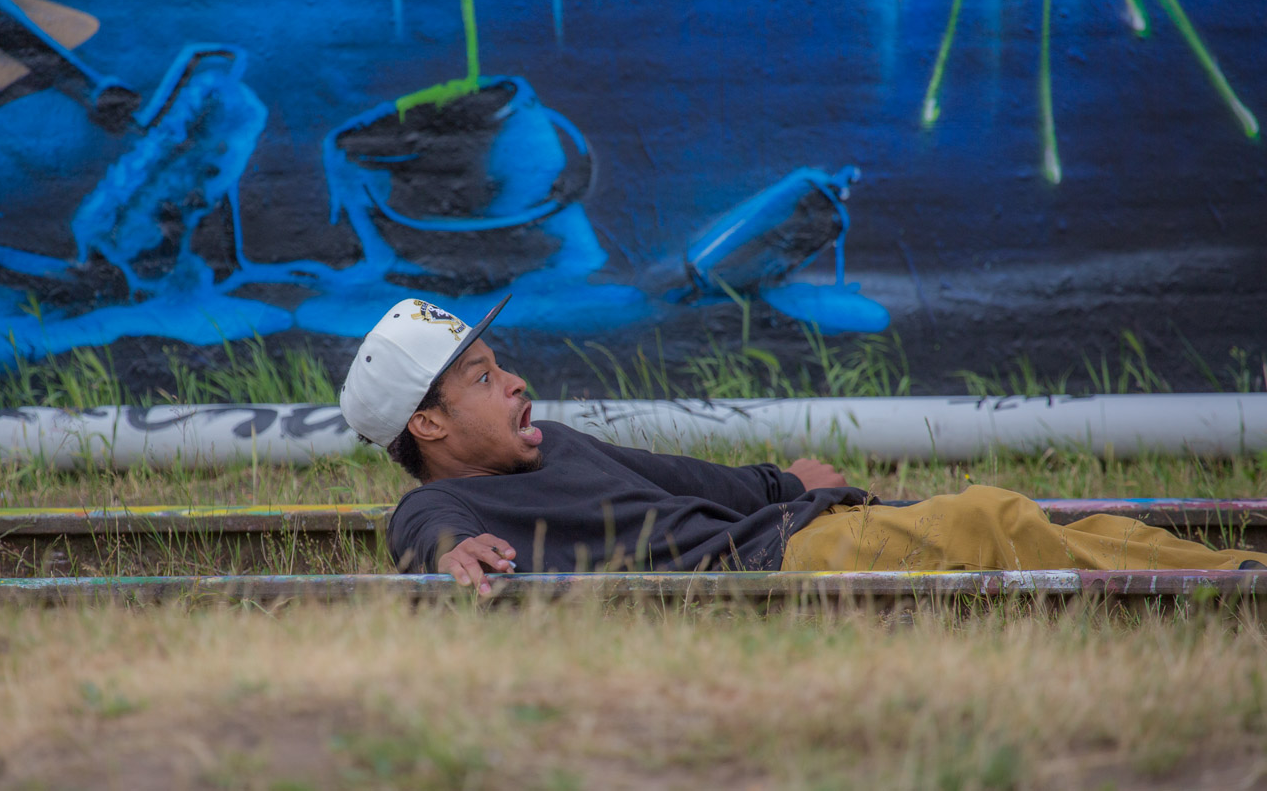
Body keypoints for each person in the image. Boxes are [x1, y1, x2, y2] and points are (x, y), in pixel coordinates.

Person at [340, 296, 1267, 594]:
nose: (513, 382)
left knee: (1043, 522)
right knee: (990, 518)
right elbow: (417, 526)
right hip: (779, 564)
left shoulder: (556, 443)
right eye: (482, 378)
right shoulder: (449, 503)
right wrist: (448, 554)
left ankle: (1238, 572)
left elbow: (693, 477)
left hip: (798, 526)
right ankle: (1232, 582)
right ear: (428, 425)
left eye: (501, 365)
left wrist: (784, 480)